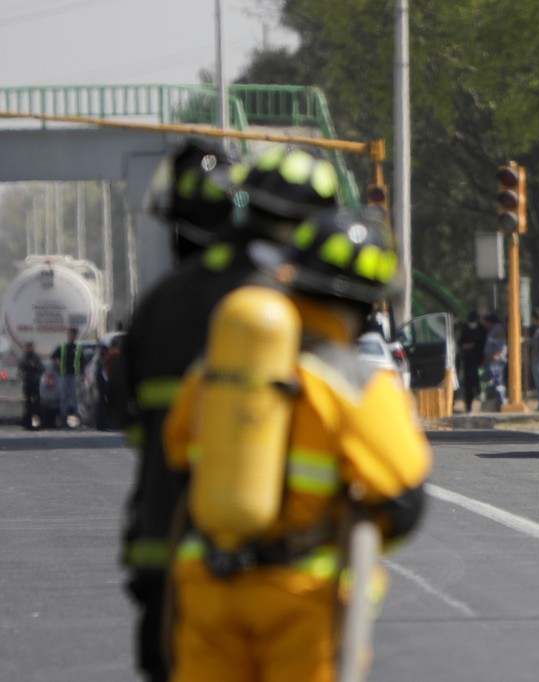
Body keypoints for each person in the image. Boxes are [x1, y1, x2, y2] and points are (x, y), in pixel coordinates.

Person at [163, 208, 431, 682]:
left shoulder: (220, 365)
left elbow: (177, 451)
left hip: (209, 588)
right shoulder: (355, 382)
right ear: (368, 303)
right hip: (299, 598)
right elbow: (402, 500)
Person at [115, 141, 339, 682]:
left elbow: (136, 429)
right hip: (280, 575)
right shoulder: (291, 309)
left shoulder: (158, 304)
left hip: (166, 557)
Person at [52, 327, 85, 427]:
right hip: (64, 375)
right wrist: (59, 363)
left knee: (75, 397)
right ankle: (63, 418)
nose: (71, 336)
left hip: (74, 375)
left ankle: (78, 418)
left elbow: (82, 361)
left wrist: (83, 374)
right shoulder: (62, 347)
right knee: (64, 398)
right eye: (69, 334)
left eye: (73, 335)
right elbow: (54, 357)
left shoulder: (78, 348)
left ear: (75, 336)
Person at [458, 312, 487, 412]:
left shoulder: (481, 330)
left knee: (477, 378)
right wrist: (464, 346)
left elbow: (483, 344)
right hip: (467, 359)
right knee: (468, 383)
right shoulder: (465, 328)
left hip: (478, 359)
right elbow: (461, 341)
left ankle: (479, 393)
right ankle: (468, 405)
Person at [481, 313, 508, 410]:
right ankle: (495, 404)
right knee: (493, 382)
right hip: (491, 359)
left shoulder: (498, 329)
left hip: (496, 359)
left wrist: (497, 354)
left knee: (497, 381)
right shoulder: (492, 330)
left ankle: (501, 403)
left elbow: (500, 343)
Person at [18, 341, 44, 430]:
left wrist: (34, 366)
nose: (29, 349)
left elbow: (41, 369)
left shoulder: (36, 357)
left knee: (36, 403)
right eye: (27, 347)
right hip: (27, 383)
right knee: (27, 404)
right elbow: (20, 368)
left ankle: (37, 422)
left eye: (30, 347)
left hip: (35, 382)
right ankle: (27, 423)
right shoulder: (24, 358)